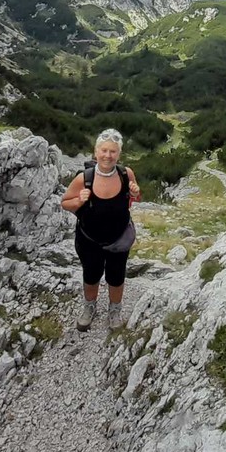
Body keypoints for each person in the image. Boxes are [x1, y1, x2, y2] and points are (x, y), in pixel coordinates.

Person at [60, 128, 141, 331]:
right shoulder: (84, 178)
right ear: (96, 152)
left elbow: (134, 198)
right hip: (89, 239)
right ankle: (89, 307)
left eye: (113, 151)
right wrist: (79, 200)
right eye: (104, 150)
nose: (108, 155)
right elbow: (65, 203)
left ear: (119, 154)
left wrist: (136, 193)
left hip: (118, 238)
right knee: (91, 274)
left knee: (116, 276)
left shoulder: (126, 174)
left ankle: (115, 311)